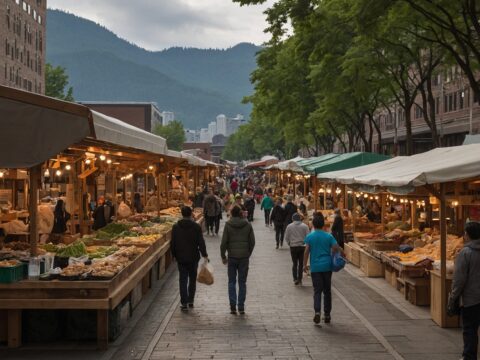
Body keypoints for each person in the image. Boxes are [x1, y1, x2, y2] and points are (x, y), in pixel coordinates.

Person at [303, 213, 341, 325]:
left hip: (315, 267)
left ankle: (317, 312)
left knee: (317, 291)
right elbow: (335, 248)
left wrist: (305, 265)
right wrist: (334, 253)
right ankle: (327, 314)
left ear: (313, 225)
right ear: (323, 224)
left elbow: (306, 251)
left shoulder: (310, 236)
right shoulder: (328, 236)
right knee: (327, 291)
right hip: (327, 267)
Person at [450, 221, 480, 360]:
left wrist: (453, 297)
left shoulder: (465, 253)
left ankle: (469, 357)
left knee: (470, 330)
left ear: (467, 235)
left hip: (471, 299)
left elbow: (459, 279)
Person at [171, 206, 208, 311]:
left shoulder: (176, 227)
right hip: (193, 257)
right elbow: (201, 242)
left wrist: (174, 255)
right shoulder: (196, 227)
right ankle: (190, 300)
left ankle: (184, 302)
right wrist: (204, 254)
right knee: (192, 279)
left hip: (181, 257)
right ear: (191, 213)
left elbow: (172, 243)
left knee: (182, 279)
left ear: (182, 214)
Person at [221, 205, 255, 315]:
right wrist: (248, 253)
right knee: (242, 282)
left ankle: (232, 306)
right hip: (244, 257)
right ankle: (241, 306)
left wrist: (223, 256)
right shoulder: (247, 224)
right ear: (240, 213)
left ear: (232, 213)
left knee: (231, 281)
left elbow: (223, 243)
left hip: (232, 257)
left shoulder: (228, 225)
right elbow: (252, 242)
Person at [285, 213, 309, 285]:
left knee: (295, 263)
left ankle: (295, 279)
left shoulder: (289, 226)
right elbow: (308, 237)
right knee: (301, 263)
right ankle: (300, 278)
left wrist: (289, 243)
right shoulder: (305, 226)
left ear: (292, 219)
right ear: (300, 219)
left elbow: (286, 237)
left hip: (293, 247)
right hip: (302, 247)